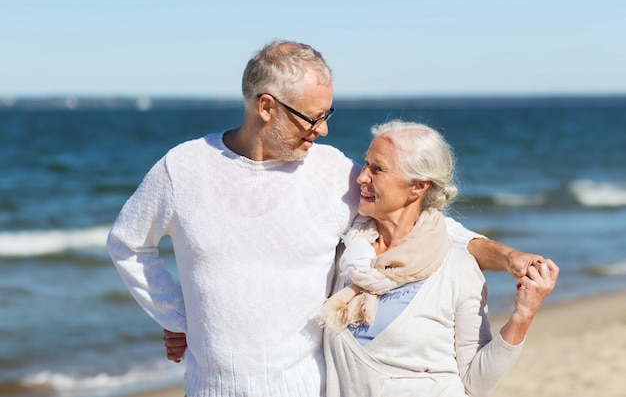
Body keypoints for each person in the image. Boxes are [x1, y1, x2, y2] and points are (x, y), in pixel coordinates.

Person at [108, 40, 546, 397]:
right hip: (209, 389)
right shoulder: (183, 168)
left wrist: (506, 255)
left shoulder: (332, 171)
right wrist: (179, 317)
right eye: (313, 117)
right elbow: (128, 243)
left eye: (327, 114)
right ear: (266, 107)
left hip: (311, 386)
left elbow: (422, 221)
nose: (323, 129)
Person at [318, 120, 559, 397]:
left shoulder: (457, 268)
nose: (361, 177)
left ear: (418, 187)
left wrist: (523, 315)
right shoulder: (349, 253)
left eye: (378, 169)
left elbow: (477, 383)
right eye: (365, 164)